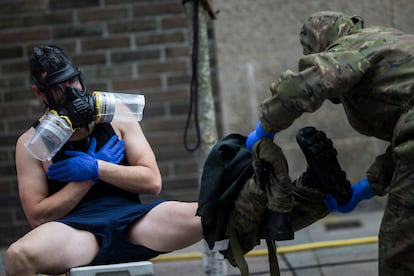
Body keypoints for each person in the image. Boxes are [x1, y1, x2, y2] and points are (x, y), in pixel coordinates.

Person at [5, 45, 202, 276]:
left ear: (80, 77)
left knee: (215, 212)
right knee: (18, 256)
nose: (71, 93)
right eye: (58, 88)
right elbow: (38, 217)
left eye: (73, 82)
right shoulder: (32, 144)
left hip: (135, 222)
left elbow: (152, 181)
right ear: (41, 93)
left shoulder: (117, 115)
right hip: (76, 232)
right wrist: (86, 179)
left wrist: (98, 167)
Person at [246, 10, 414, 275]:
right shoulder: (388, 41)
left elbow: (310, 84)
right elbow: (407, 145)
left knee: (401, 256)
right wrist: (365, 188)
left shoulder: (351, 46)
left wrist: (264, 128)